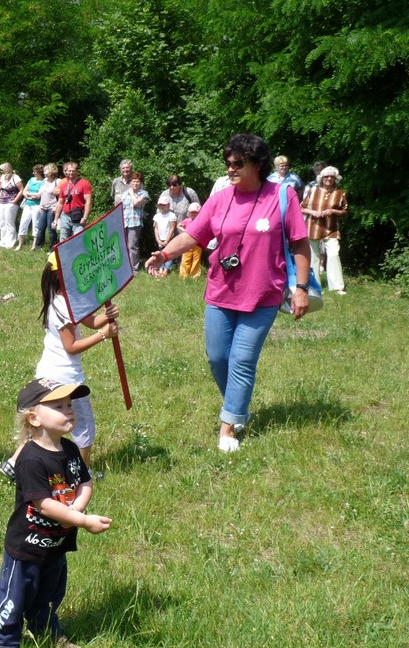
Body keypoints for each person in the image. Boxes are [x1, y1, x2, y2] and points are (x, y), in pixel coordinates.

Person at [145, 133, 311, 452]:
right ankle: (237, 404)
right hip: (221, 291)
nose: (231, 168)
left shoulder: (283, 196)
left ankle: (228, 427)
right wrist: (164, 253)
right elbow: (193, 235)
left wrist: (300, 288)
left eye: (238, 163)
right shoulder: (221, 198)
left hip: (263, 294)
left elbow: (300, 243)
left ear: (258, 164)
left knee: (242, 359)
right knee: (219, 358)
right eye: (228, 163)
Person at [0, 379, 112, 648]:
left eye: (69, 405)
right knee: (16, 594)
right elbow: (45, 505)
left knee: (51, 593)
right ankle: (0, 642)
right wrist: (81, 520)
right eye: (58, 406)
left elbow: (86, 483)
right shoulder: (30, 459)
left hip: (56, 543)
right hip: (27, 544)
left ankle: (45, 631)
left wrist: (77, 507)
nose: (69, 411)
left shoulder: (69, 451)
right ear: (34, 418)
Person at [1, 253, 119, 476]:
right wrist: (104, 336)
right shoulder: (62, 306)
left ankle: (13, 463)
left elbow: (90, 321)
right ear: (62, 276)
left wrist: (106, 317)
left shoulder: (65, 300)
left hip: (47, 373)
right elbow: (71, 346)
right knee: (83, 425)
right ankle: (82, 472)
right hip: (65, 378)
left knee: (43, 424)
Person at [301, 166, 347, 295]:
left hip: (331, 228)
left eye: (332, 177)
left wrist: (333, 211)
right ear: (321, 178)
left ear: (335, 179)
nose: (329, 179)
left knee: (334, 254)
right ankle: (315, 285)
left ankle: (338, 286)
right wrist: (313, 212)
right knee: (313, 257)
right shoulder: (313, 190)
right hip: (312, 227)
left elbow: (345, 211)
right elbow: (302, 207)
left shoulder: (339, 193)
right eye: (326, 176)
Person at [119, 172, 148, 271]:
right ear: (131, 182)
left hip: (135, 223)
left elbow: (136, 203)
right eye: (133, 181)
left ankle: (134, 268)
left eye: (137, 181)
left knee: (132, 245)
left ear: (141, 183)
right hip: (124, 222)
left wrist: (131, 193)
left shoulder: (144, 194)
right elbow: (120, 208)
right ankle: (125, 267)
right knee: (123, 245)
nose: (135, 183)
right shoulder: (124, 194)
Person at [56, 162, 92, 240]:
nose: (71, 172)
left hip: (78, 215)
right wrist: (56, 219)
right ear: (66, 171)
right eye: (69, 171)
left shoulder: (84, 183)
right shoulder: (64, 185)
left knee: (78, 239)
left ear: (77, 171)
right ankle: (64, 252)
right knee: (63, 240)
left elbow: (88, 202)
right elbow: (60, 203)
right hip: (65, 215)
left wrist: (85, 217)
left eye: (73, 171)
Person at [0, 163, 23, 249]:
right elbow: (0, 187)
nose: (1, 171)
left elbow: (21, 189)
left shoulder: (15, 177)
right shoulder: (3, 177)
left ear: (7, 169)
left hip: (11, 203)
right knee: (2, 223)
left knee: (9, 223)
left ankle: (10, 242)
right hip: (1, 202)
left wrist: (15, 201)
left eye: (2, 169)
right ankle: (3, 241)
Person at [34, 163, 61, 251]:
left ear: (50, 171)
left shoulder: (58, 181)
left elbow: (61, 197)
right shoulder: (45, 180)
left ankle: (53, 248)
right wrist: (40, 205)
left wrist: (56, 207)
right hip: (43, 208)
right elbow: (41, 193)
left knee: (51, 229)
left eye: (45, 170)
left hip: (52, 208)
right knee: (40, 228)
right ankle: (38, 247)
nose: (44, 172)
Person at [17, 164, 44, 251]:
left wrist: (29, 194)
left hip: (36, 206)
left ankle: (34, 246)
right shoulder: (31, 180)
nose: (33, 173)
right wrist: (29, 194)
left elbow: (38, 195)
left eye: (35, 172)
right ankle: (20, 245)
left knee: (35, 225)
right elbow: (24, 191)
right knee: (23, 223)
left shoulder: (43, 182)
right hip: (27, 205)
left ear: (39, 172)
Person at [151, 197, 177, 276]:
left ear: (168, 205)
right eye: (160, 205)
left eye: (164, 205)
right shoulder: (157, 216)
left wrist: (167, 240)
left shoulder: (172, 215)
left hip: (168, 238)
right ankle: (161, 269)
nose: (162, 206)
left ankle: (166, 270)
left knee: (168, 254)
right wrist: (158, 239)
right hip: (160, 238)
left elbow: (172, 228)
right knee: (160, 253)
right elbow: (156, 228)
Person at [177, 202, 203, 279]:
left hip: (198, 243)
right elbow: (179, 225)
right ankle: (183, 276)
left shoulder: (201, 221)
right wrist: (185, 230)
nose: (194, 214)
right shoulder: (187, 220)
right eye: (192, 212)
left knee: (196, 259)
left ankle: (195, 276)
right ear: (189, 212)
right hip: (187, 243)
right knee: (185, 259)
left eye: (196, 212)